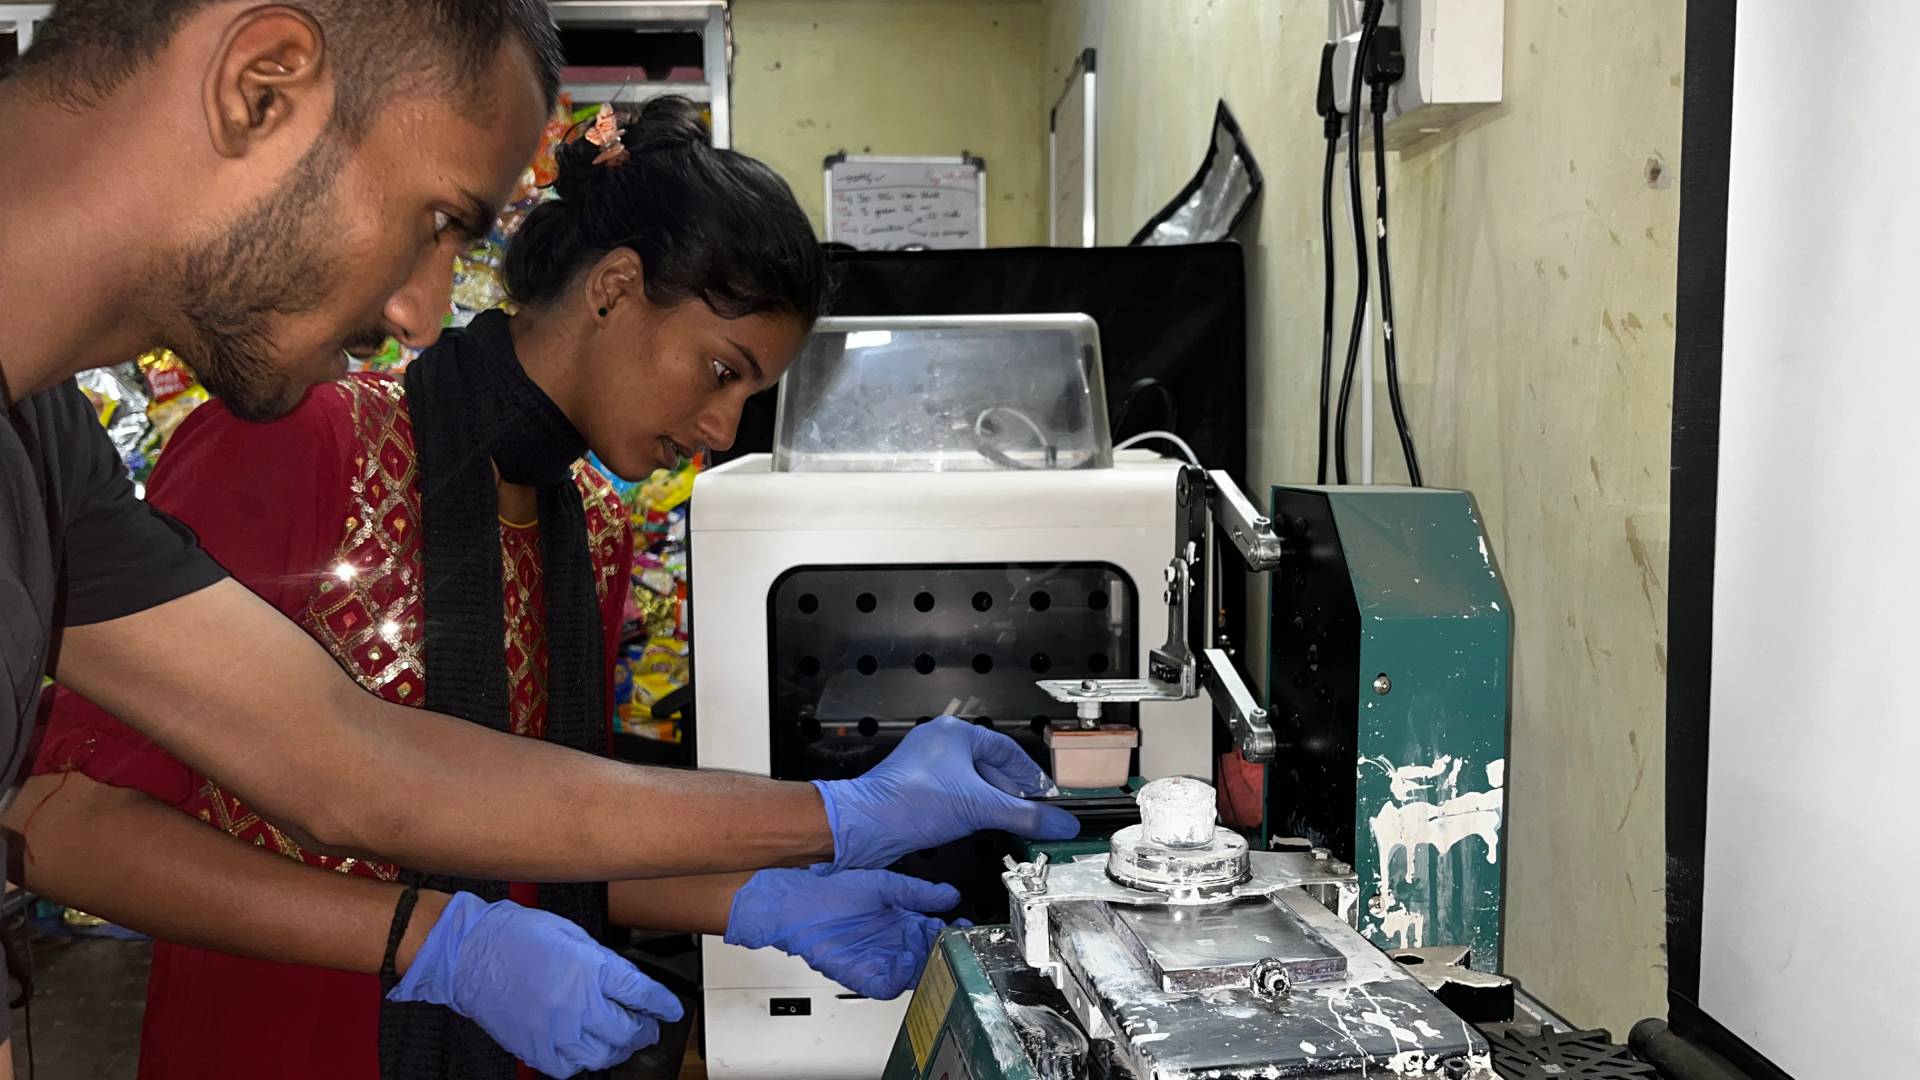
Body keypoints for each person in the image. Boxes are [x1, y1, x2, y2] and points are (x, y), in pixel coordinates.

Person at [0, 3, 1075, 1074]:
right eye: (435, 224)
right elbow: (74, 821)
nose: (419, 311)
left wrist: (769, 881)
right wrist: (438, 941)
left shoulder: (579, 521)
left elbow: (430, 794)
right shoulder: (299, 435)